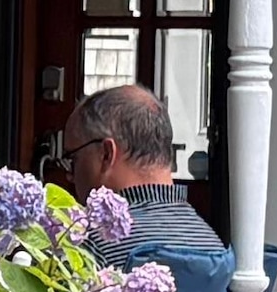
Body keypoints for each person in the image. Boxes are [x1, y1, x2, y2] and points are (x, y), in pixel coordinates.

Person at [59, 83, 224, 258]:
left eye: (73, 159)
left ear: (107, 154)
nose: (69, 176)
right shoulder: (212, 246)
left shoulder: (91, 243)